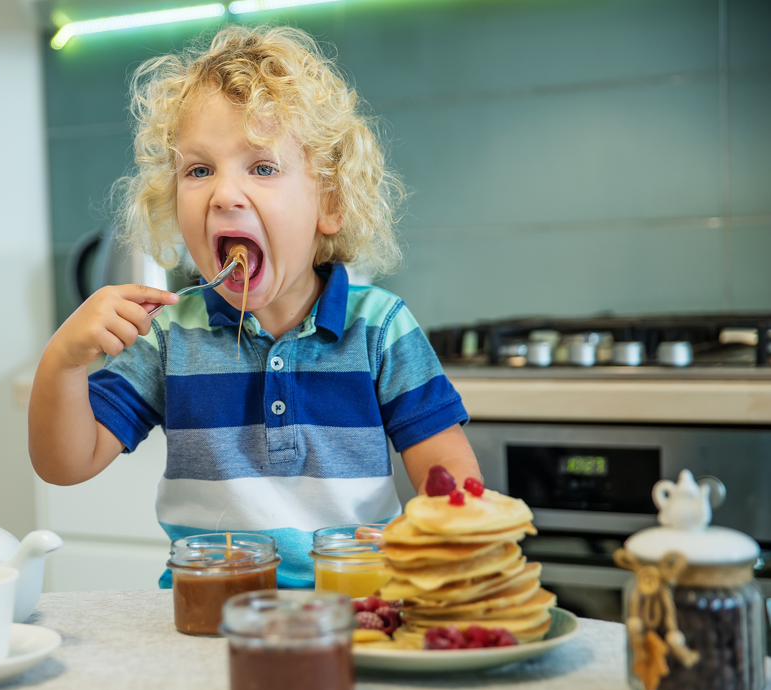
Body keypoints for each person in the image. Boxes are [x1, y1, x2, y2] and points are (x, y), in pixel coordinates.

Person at [29, 25, 481, 587]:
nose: (224, 194)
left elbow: (449, 473)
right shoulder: (171, 335)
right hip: (209, 613)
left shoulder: (380, 328)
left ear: (331, 203)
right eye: (198, 170)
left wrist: (434, 532)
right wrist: (63, 361)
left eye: (262, 168)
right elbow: (64, 464)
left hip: (354, 611)